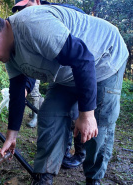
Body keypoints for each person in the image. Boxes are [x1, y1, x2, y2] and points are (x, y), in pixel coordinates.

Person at [0, 5, 129, 185]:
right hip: (68, 72)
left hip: (104, 58)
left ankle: (93, 178)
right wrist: (11, 136)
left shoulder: (33, 25)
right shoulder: (10, 54)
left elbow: (83, 58)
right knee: (50, 114)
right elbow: (18, 91)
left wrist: (87, 114)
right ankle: (44, 176)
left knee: (99, 123)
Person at [13, 0, 86, 169]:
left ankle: (81, 153)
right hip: (58, 77)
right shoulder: (26, 32)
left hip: (80, 70)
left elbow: (81, 48)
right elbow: (32, 66)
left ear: (37, 2)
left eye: (27, 7)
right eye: (20, 10)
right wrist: (24, 88)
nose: (24, 13)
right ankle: (64, 151)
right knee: (55, 113)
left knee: (77, 113)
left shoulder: (62, 12)